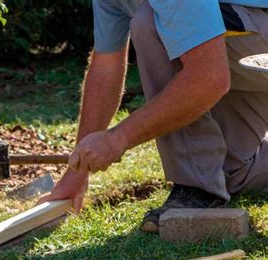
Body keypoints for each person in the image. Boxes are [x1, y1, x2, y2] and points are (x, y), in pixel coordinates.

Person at [42, 0, 268, 232]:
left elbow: (210, 77)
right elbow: (106, 67)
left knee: (150, 22)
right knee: (230, 174)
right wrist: (77, 173)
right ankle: (205, 178)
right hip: (239, 45)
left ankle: (196, 186)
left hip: (255, 47)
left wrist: (117, 139)